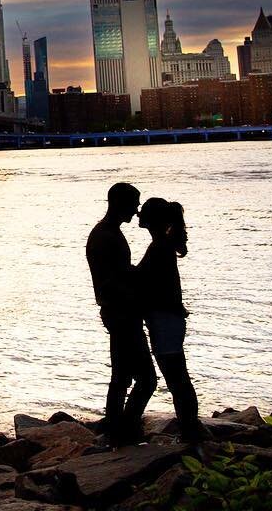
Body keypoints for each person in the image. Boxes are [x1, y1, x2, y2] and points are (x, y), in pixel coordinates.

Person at [86, 181, 156, 445]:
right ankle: (125, 428)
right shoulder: (106, 236)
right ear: (118, 203)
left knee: (121, 376)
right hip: (121, 313)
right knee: (146, 379)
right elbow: (114, 279)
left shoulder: (107, 233)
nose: (137, 210)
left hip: (118, 312)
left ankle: (116, 426)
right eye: (134, 204)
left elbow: (118, 274)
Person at [137, 197, 205, 447]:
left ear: (152, 218)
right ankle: (189, 428)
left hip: (166, 321)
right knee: (177, 377)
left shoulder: (159, 248)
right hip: (167, 320)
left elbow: (142, 279)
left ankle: (189, 431)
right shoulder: (160, 245)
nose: (138, 214)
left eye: (143, 211)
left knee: (177, 378)